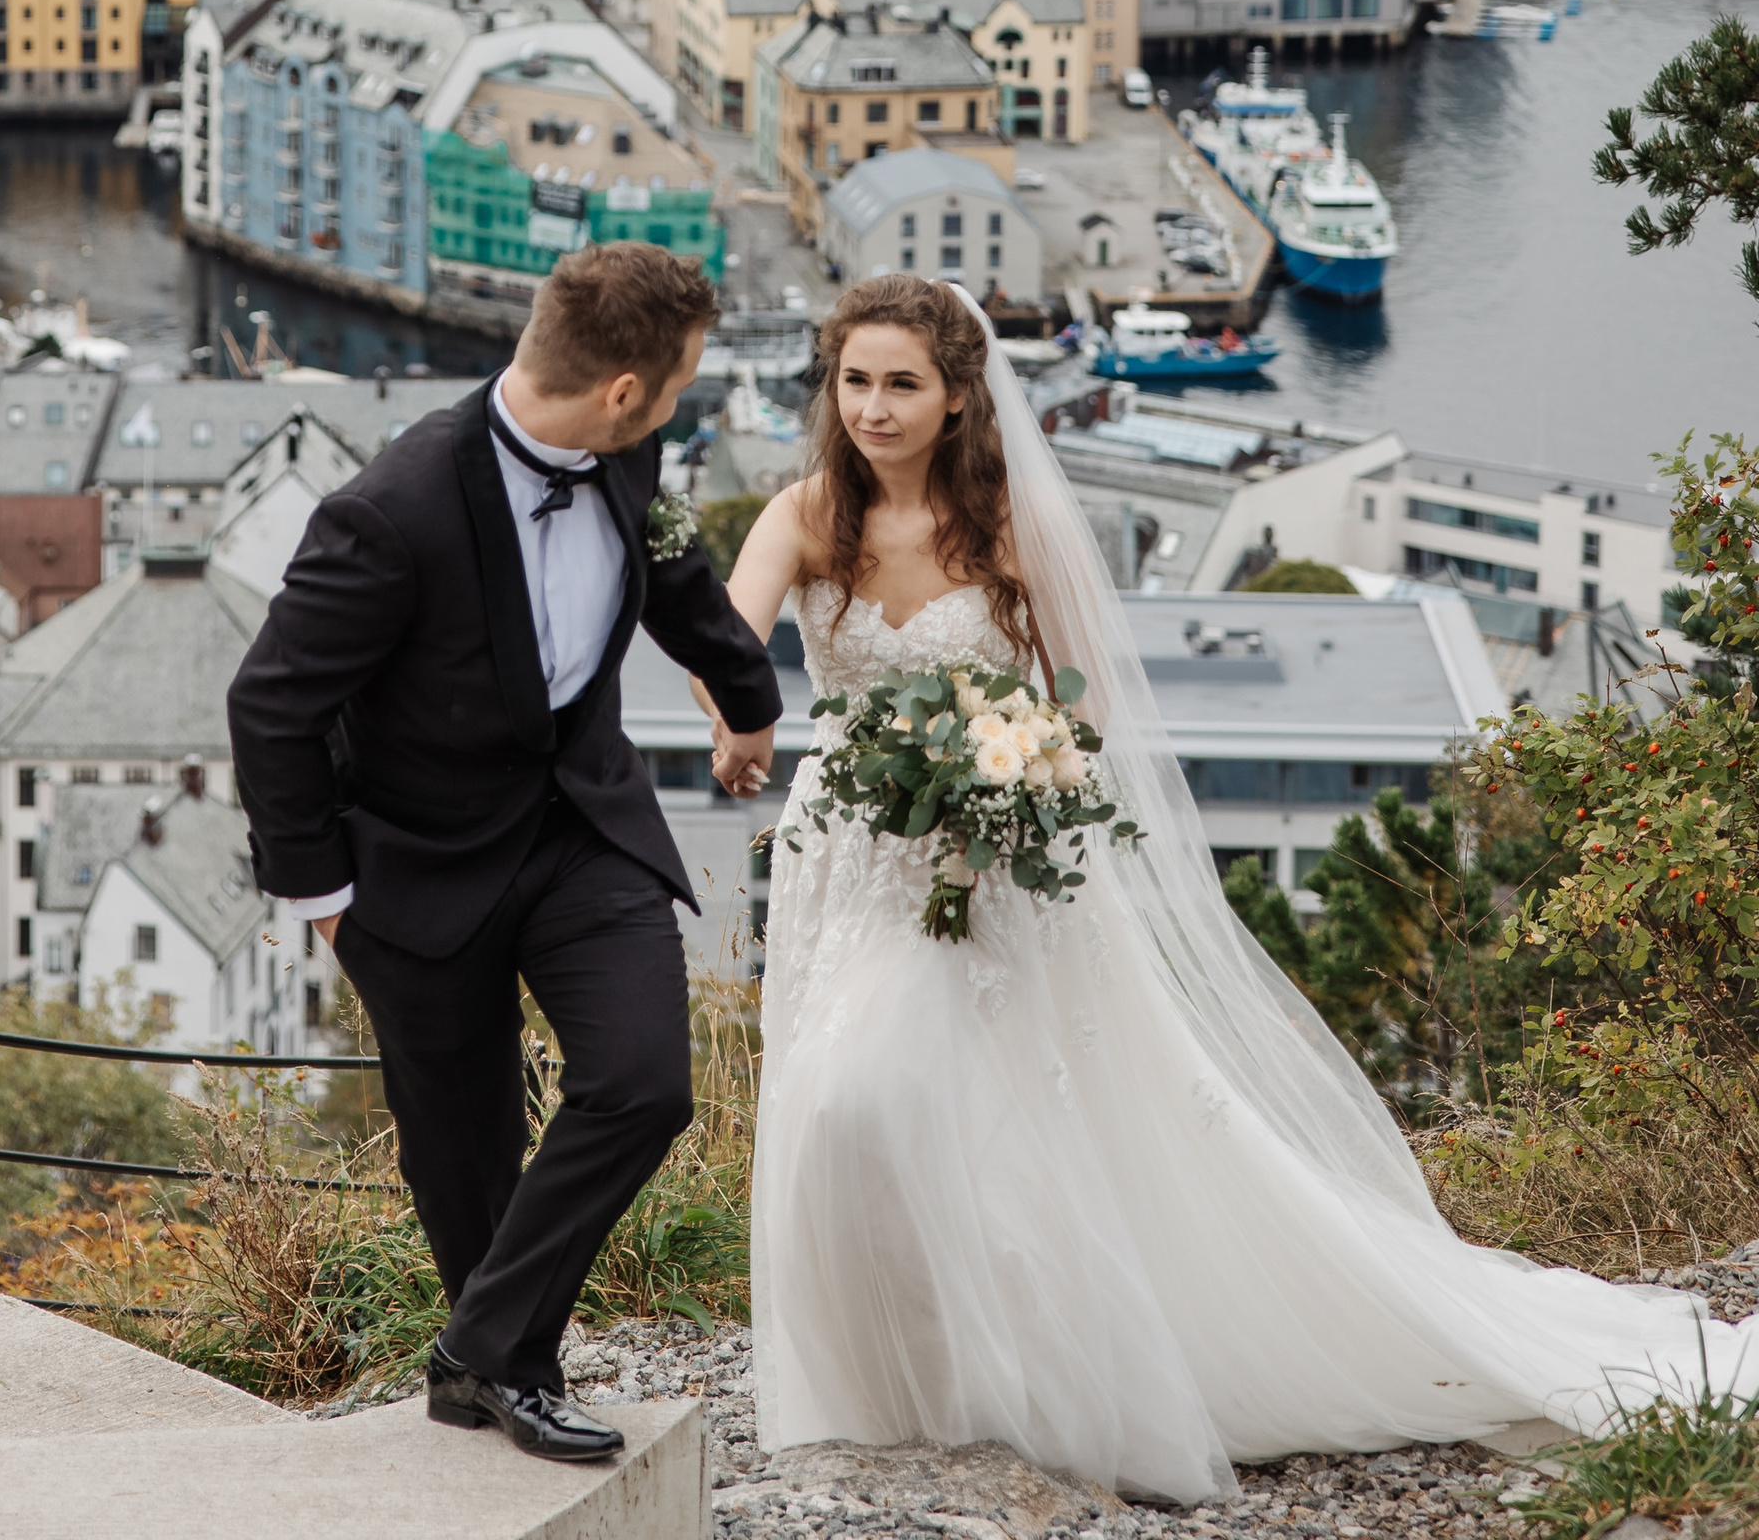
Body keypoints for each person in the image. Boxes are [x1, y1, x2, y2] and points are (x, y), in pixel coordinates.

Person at [718, 272, 1759, 1506]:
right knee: (853, 1102)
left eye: (903, 384)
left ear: (957, 399)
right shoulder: (798, 513)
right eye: (855, 382)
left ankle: (1023, 1377)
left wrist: (1015, 772)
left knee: (903, 1098)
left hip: (986, 852)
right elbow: (724, 646)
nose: (874, 409)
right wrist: (742, 728)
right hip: (849, 851)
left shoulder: (1007, 528)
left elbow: (1084, 703)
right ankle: (895, 1389)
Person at [227, 241, 782, 1465]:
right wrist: (323, 897)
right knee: (462, 1148)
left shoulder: (626, 455)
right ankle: (512, 1373)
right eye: (680, 386)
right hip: (413, 873)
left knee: (644, 1084)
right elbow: (270, 704)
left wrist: (752, 705)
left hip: (580, 832)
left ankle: (471, 1349)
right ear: (626, 389)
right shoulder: (392, 509)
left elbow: (679, 584)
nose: (679, 407)